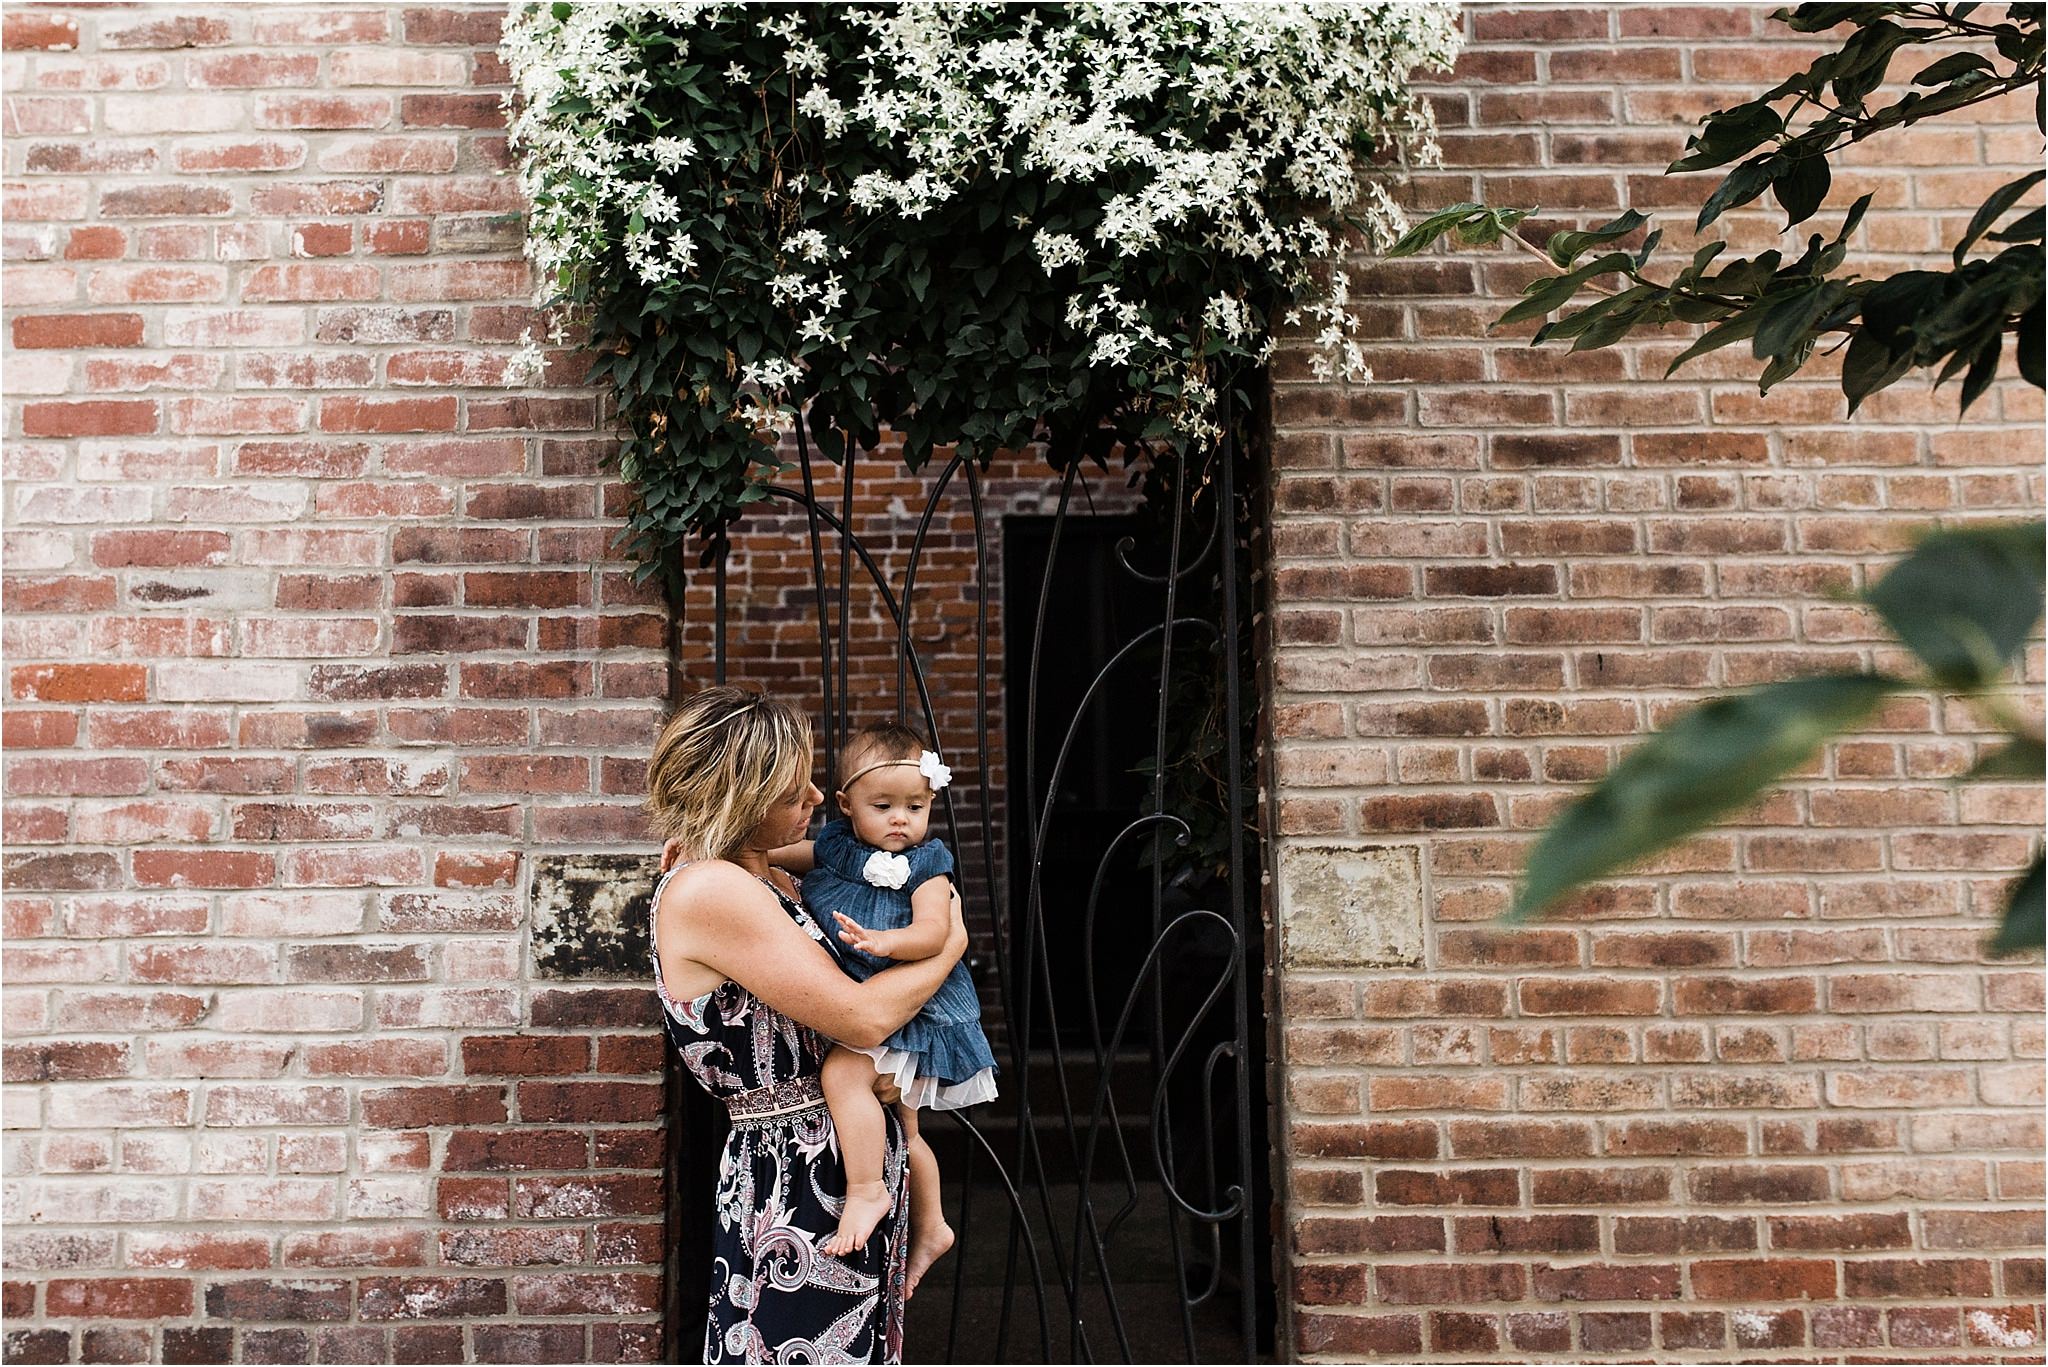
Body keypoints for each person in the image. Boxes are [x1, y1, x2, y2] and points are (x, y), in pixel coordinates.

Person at [645, 687, 967, 1363]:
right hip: (793, 1180)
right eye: (795, 789)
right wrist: (952, 945)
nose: (819, 798)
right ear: (743, 795)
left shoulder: (768, 878)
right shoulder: (712, 888)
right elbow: (864, 1013)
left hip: (835, 1159)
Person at [771, 723, 997, 1270]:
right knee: (908, 1128)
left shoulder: (927, 864)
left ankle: (868, 1188)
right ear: (847, 805)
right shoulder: (834, 848)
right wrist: (714, 849)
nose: (901, 819)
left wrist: (884, 942)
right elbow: (778, 853)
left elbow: (934, 934)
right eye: (884, 805)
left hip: (918, 1009)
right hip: (883, 999)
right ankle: (934, 1225)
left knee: (844, 1076)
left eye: (915, 807)